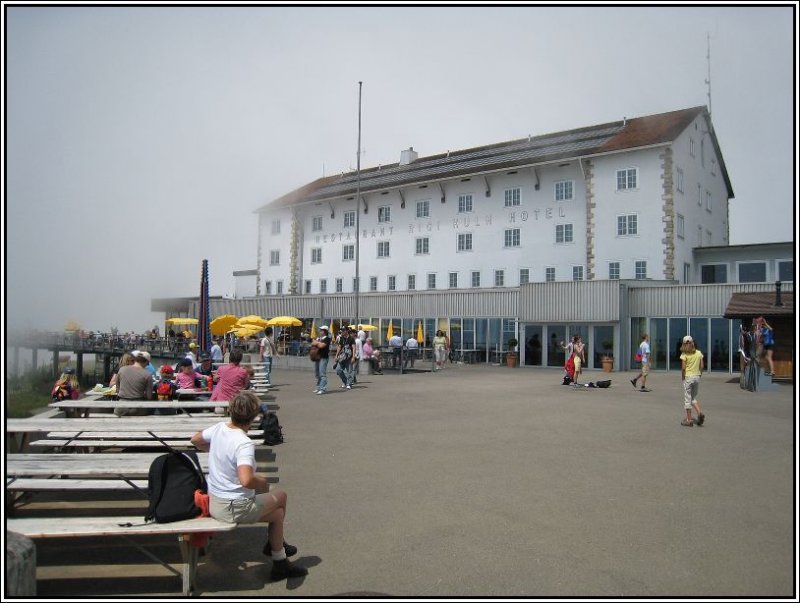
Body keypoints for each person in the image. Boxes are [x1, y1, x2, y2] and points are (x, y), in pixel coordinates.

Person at [190, 391, 307, 581]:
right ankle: (277, 549)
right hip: (235, 507)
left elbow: (195, 440)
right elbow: (246, 480)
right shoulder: (243, 443)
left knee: (276, 515)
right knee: (282, 496)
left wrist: (215, 450)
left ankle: (279, 558)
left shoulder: (220, 428)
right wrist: (261, 482)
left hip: (215, 503)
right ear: (253, 418)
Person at [679, 335, 705, 427]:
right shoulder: (698, 353)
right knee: (693, 398)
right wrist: (699, 374)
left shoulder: (684, 355)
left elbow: (683, 368)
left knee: (687, 399)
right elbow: (702, 366)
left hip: (688, 378)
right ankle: (699, 413)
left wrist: (683, 377)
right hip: (696, 377)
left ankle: (689, 420)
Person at [311, 325, 331, 394]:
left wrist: (317, 343)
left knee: (322, 374)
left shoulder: (327, 339)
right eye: (320, 330)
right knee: (317, 374)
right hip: (317, 357)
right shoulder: (319, 338)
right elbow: (313, 343)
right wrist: (317, 343)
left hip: (324, 358)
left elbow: (321, 346)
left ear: (325, 331)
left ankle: (323, 388)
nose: (320, 331)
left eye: (321, 330)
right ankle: (319, 387)